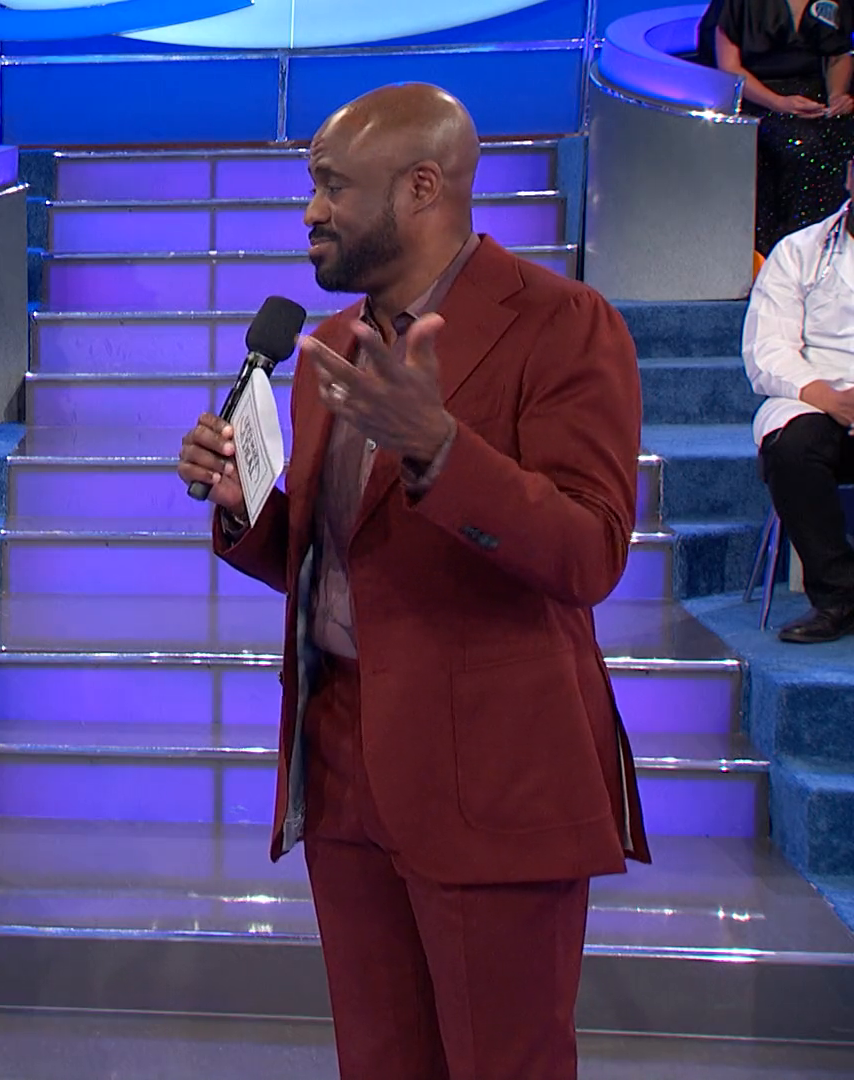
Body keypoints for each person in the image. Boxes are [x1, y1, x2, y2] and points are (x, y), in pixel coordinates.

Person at [176, 84, 648, 1079]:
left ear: (422, 187)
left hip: (493, 774)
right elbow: (341, 558)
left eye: (332, 187)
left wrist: (440, 449)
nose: (311, 211)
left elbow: (590, 552)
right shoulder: (328, 351)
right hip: (341, 767)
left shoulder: (564, 323)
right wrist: (246, 507)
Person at [743, 161, 854, 642]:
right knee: (790, 449)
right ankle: (839, 597)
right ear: (850, 175)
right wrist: (827, 397)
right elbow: (766, 348)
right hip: (816, 395)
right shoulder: (798, 252)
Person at [699, 0, 854, 254]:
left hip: (812, 95)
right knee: (803, 146)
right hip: (758, 97)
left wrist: (837, 95)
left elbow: (839, 55)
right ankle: (790, 251)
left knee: (842, 138)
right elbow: (729, 68)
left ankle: (839, 250)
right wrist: (778, 102)